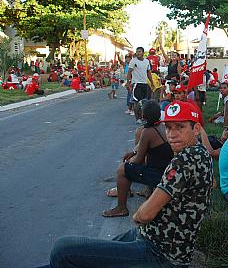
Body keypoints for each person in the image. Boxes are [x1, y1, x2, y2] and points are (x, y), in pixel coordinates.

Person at [39, 101, 213, 268]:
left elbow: (144, 215)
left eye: (180, 127)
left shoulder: (185, 160)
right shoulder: (200, 151)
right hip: (161, 241)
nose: (172, 134)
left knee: (63, 251)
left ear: (195, 128)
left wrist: (139, 215)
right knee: (82, 257)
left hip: (161, 253)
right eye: (168, 127)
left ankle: (120, 207)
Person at [103, 100, 174, 217]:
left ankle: (121, 208)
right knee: (130, 167)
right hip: (166, 170)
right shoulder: (161, 126)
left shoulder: (147, 132)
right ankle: (134, 191)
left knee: (123, 169)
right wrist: (134, 152)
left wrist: (129, 162)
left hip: (158, 175)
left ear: (143, 116)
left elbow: (138, 160)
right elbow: (145, 149)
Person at [127, 47, 154, 123]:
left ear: (142, 52)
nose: (138, 53)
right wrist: (128, 83)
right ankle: (137, 118)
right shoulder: (133, 61)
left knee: (145, 102)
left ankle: (144, 117)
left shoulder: (146, 61)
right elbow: (129, 72)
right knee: (136, 102)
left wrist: (152, 82)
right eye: (137, 51)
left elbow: (148, 72)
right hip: (136, 84)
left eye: (139, 51)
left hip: (145, 84)